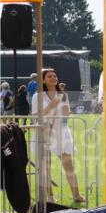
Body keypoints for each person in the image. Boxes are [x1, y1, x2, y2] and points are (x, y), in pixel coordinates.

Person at [31, 68, 85, 204]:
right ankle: (50, 197)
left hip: (61, 131)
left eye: (55, 75)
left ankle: (77, 195)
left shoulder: (63, 95)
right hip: (44, 132)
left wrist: (67, 112)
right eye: (49, 76)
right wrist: (51, 105)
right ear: (43, 80)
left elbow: (65, 115)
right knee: (46, 167)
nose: (54, 78)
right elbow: (36, 115)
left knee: (68, 164)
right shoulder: (37, 96)